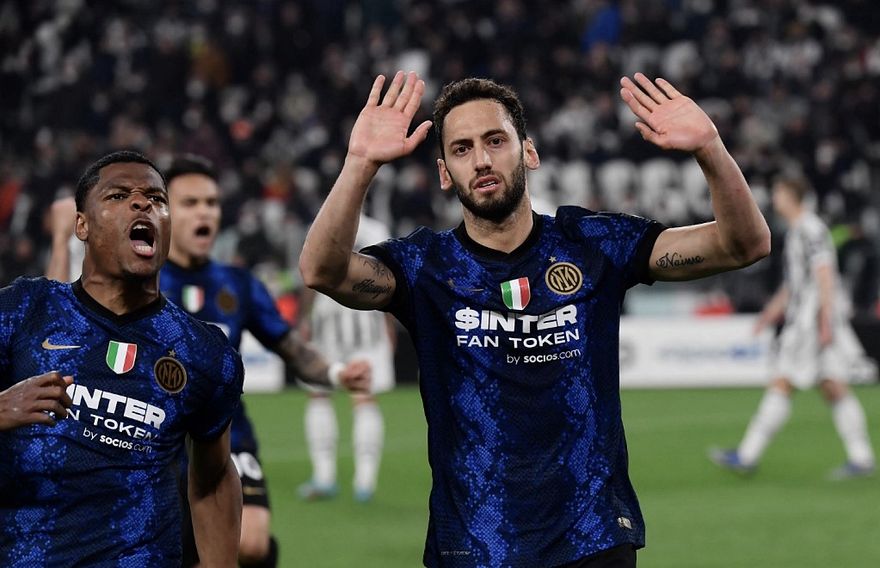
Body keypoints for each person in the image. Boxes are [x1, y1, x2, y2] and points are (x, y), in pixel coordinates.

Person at [298, 70, 771, 567]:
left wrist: (710, 149)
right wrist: (360, 164)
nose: (481, 159)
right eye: (461, 149)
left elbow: (745, 244)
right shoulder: (425, 267)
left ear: (529, 152)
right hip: (474, 548)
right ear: (444, 173)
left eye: (495, 140)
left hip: (593, 541)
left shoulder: (592, 244)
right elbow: (320, 271)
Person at [46, 155, 372, 568]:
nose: (205, 213)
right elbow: (56, 320)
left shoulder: (237, 283)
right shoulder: (133, 276)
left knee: (250, 543)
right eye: (191, 203)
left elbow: (291, 348)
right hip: (152, 438)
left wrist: (338, 374)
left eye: (212, 203)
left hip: (224, 436)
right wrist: (60, 239)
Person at [1, 150, 243, 566]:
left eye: (157, 198)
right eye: (118, 195)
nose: (142, 203)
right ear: (82, 225)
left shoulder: (203, 350)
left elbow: (214, 480)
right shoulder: (23, 310)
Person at [710, 175, 876, 480]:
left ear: (790, 196)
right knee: (833, 386)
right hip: (812, 320)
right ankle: (862, 457)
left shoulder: (810, 229)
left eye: (778, 193)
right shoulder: (800, 230)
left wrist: (824, 321)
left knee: (783, 381)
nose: (775, 199)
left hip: (810, 323)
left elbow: (824, 274)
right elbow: (795, 285)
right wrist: (769, 314)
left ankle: (747, 455)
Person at [296, 214, 397, 503]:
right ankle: (365, 481)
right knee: (364, 397)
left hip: (328, 313)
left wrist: (304, 318)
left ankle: (324, 477)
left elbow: (310, 271)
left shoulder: (324, 221)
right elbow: (391, 279)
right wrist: (390, 323)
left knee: (319, 392)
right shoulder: (377, 228)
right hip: (368, 315)